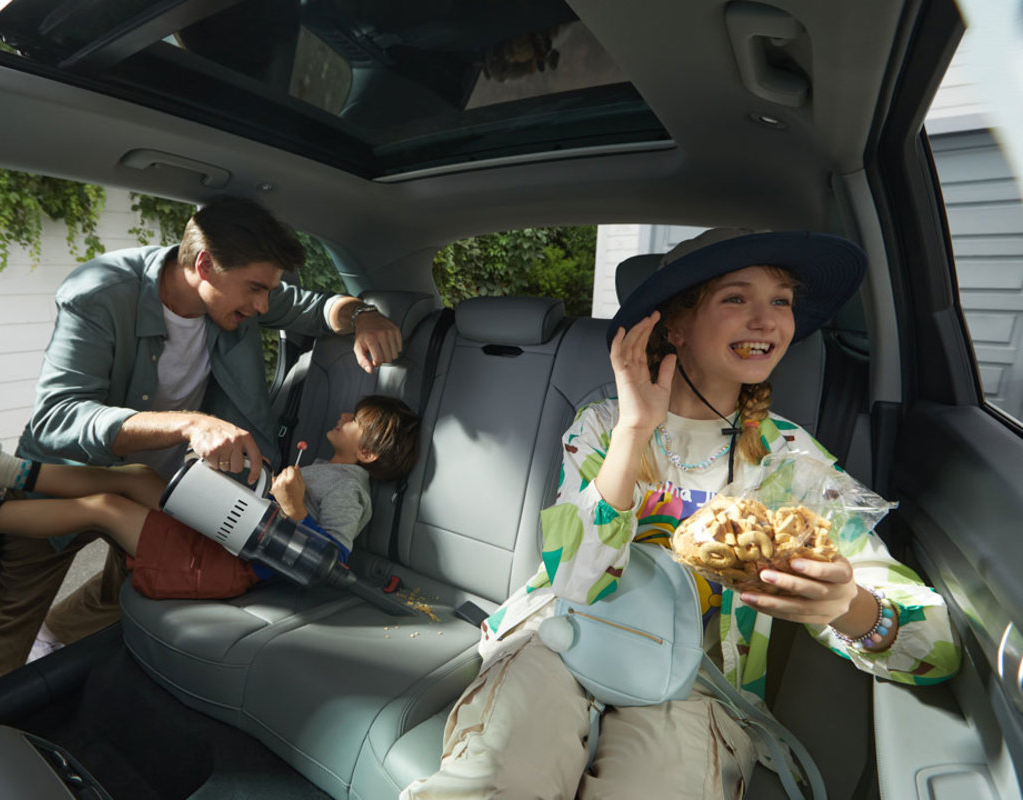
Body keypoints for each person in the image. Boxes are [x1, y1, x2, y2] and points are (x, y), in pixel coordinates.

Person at [402, 229, 961, 800]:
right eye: (736, 298)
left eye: (781, 301)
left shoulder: (791, 462)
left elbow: (936, 648)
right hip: (564, 636)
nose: (766, 320)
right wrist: (634, 430)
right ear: (676, 327)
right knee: (490, 782)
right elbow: (573, 580)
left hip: (699, 680)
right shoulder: (602, 426)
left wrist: (850, 607)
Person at [0, 195, 405, 692]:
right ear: (205, 266)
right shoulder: (100, 293)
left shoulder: (241, 292)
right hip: (69, 473)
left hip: (164, 486)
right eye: (256, 289)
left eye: (268, 291)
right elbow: (58, 417)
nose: (262, 307)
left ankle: (53, 640)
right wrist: (190, 423)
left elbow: (318, 309)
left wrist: (363, 315)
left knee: (126, 592)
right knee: (9, 616)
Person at [0, 378, 421, 601]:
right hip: (225, 534)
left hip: (225, 566)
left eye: (356, 419)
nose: (344, 414)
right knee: (133, 476)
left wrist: (295, 511)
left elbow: (333, 567)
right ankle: (0, 470)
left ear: (367, 453)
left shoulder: (351, 492)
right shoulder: (327, 469)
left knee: (106, 508)